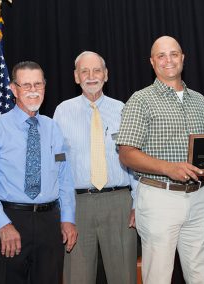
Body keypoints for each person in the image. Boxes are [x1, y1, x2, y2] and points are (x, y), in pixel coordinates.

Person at [116, 36, 204, 284]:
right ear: (152, 62)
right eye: (161, 56)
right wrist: (168, 168)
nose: (168, 60)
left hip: (198, 198)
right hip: (158, 199)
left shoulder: (201, 101)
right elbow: (126, 153)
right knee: (159, 278)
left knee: (201, 276)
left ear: (183, 58)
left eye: (173, 54)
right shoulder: (140, 100)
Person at [53, 51, 138, 284]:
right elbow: (58, 160)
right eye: (84, 71)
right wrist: (63, 209)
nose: (91, 76)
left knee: (125, 277)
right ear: (76, 77)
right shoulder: (62, 112)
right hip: (78, 205)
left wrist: (137, 203)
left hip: (120, 202)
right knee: (77, 277)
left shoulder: (124, 109)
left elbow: (135, 160)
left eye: (97, 70)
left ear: (106, 74)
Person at [0, 61, 77, 284]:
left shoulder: (53, 128)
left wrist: (67, 219)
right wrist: (3, 223)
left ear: (45, 87)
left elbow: (64, 176)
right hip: (10, 220)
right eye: (26, 85)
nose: (33, 91)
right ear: (13, 89)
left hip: (50, 223)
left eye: (38, 84)